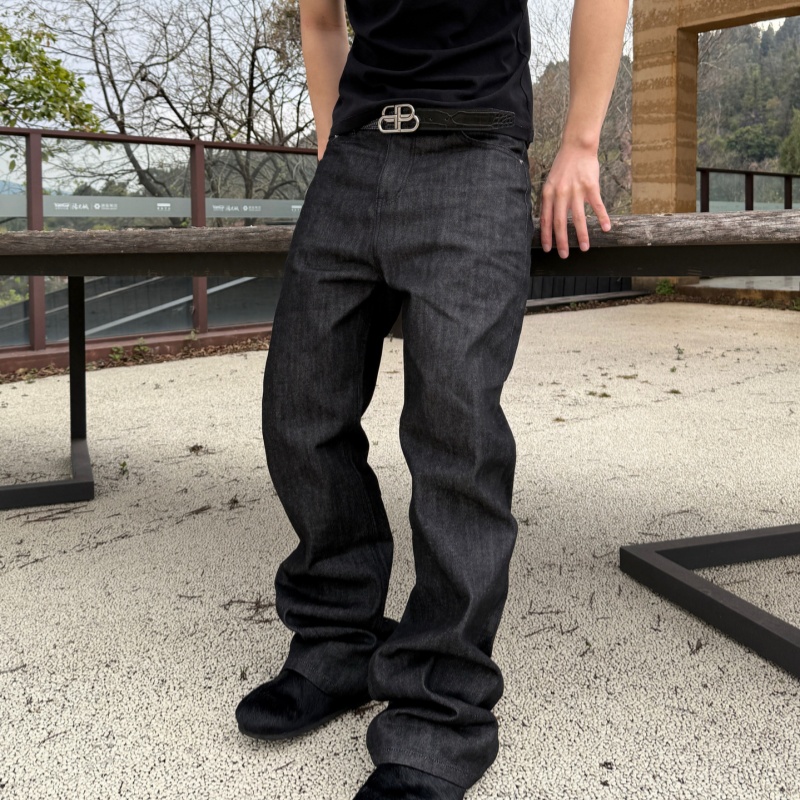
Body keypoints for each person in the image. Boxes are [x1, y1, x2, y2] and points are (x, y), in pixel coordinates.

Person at [236, 0, 629, 797]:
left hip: (473, 153)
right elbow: (320, 18)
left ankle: (441, 710)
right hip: (354, 159)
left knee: (457, 431)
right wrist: (332, 142)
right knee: (299, 411)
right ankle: (336, 644)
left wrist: (580, 143)